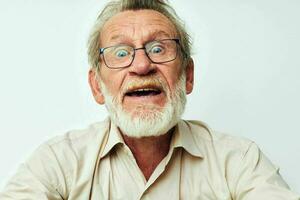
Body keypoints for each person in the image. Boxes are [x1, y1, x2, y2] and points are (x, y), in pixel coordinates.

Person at [1, 0, 299, 199]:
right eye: (120, 53)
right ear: (96, 86)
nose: (142, 66)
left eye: (158, 48)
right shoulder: (58, 161)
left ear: (188, 75)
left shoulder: (239, 161)